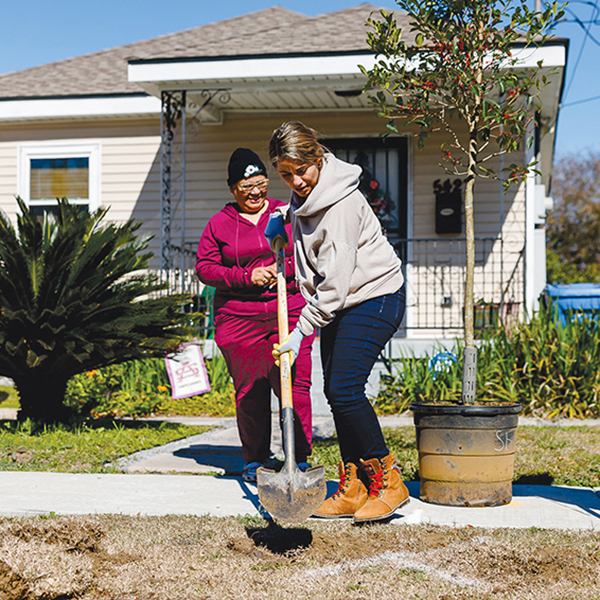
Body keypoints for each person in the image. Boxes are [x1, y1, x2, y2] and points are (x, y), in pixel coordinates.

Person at [269, 122, 409, 523]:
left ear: (318, 158)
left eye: (302, 170)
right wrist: (283, 218)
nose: (296, 181)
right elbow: (303, 217)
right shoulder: (306, 195)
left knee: (345, 389)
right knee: (336, 392)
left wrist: (299, 332)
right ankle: (356, 486)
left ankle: (389, 481)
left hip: (374, 297)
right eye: (285, 174)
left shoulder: (342, 203)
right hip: (343, 303)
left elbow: (335, 282)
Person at [196, 147, 315, 483]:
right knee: (251, 391)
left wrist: (282, 267)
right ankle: (255, 461)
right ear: (233, 189)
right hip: (239, 317)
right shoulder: (219, 224)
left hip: (289, 310)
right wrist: (245, 277)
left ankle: (299, 459)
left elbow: (310, 249)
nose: (255, 193)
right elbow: (205, 268)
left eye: (261, 184)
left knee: (294, 385)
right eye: (246, 187)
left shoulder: (286, 212)